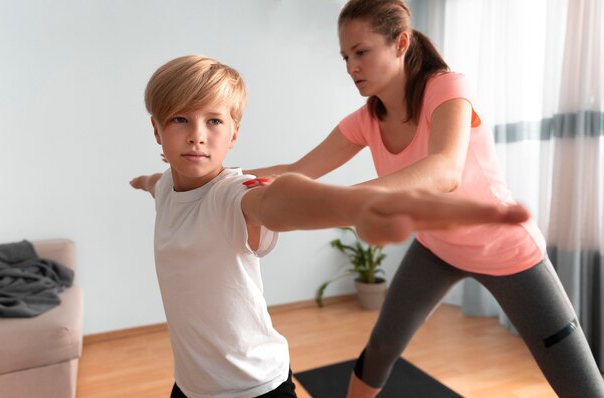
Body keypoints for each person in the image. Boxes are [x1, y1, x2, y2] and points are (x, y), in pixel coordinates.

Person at [245, 0, 604, 397]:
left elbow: (445, 171)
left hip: (506, 250)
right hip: (437, 248)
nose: (351, 67)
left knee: (581, 385)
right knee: (381, 347)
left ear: (400, 43)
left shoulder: (447, 87)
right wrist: (223, 179)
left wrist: (345, 200)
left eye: (361, 52)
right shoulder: (366, 120)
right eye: (346, 56)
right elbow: (300, 169)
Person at [130, 54, 530, 398]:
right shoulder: (165, 186)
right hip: (190, 386)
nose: (198, 136)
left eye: (214, 121)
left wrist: (354, 206)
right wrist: (142, 181)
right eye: (181, 119)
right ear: (157, 130)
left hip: (252, 388)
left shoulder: (234, 195)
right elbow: (156, 183)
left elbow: (283, 202)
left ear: (234, 134)